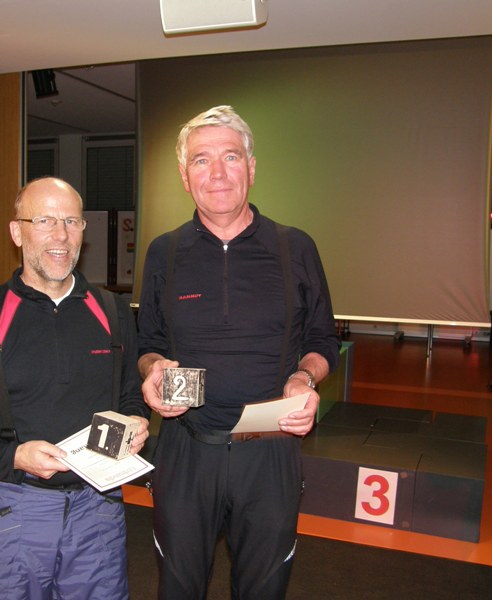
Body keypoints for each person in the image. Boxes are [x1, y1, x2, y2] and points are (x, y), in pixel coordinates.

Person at [136, 105, 340, 599]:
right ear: (185, 176)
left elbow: (321, 341)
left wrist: (304, 378)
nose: (217, 172)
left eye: (230, 156)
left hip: (268, 449)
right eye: (201, 160)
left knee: (263, 589)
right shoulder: (164, 251)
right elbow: (148, 344)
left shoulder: (295, 248)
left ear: (251, 167)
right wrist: (153, 369)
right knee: (178, 588)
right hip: (187, 449)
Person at [0, 177, 150, 599]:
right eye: (44, 220)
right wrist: (13, 456)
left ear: (83, 230)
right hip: (12, 509)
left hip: (98, 512)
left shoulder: (113, 312)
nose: (60, 235)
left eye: (71, 221)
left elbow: (129, 394)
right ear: (17, 231)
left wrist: (136, 420)